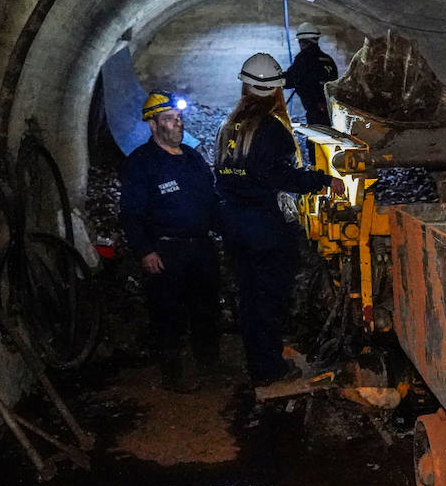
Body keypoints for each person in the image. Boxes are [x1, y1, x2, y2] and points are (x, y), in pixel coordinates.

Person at [216, 53, 345, 385]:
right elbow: (283, 176)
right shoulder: (271, 128)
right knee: (270, 300)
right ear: (276, 90)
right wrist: (323, 180)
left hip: (235, 227)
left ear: (246, 86)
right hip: (265, 230)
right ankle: (269, 369)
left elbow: (226, 180)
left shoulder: (228, 127)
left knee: (250, 299)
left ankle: (259, 361)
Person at [119, 91, 221, 392]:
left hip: (200, 247)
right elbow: (131, 213)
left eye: (178, 119)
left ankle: (209, 365)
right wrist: (145, 250)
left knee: (206, 309)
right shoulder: (141, 164)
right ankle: (174, 376)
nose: (177, 125)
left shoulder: (193, 158)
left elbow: (211, 200)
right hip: (166, 251)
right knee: (168, 314)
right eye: (169, 120)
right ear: (153, 125)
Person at [283, 22, 338, 126]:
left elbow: (289, 80)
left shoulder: (304, 58)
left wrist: (272, 80)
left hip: (316, 112)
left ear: (303, 42)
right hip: (331, 110)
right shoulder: (328, 60)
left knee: (315, 137)